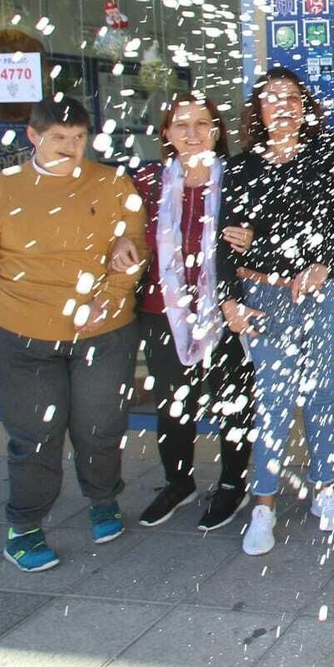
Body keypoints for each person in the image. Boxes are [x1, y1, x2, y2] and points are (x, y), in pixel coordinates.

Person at [0, 98, 147, 572]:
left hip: (103, 331)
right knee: (36, 436)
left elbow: (134, 246)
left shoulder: (113, 182)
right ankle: (24, 527)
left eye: (78, 138)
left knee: (99, 427)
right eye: (59, 137)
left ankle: (102, 499)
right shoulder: (2, 189)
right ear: (34, 138)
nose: (70, 147)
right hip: (20, 332)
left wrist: (113, 292)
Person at [218, 67, 334, 556]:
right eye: (271, 98)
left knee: (321, 389)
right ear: (256, 111)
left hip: (328, 291)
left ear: (306, 105)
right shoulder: (240, 168)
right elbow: (226, 241)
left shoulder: (329, 153)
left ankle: (325, 487)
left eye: (292, 97)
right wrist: (229, 298)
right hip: (264, 296)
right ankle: (264, 502)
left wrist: (322, 263)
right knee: (274, 398)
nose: (283, 105)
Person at [112, 94, 255, 532]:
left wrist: (253, 239)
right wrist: (118, 240)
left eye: (201, 124)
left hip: (225, 307)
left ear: (216, 130)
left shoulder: (240, 177)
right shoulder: (146, 181)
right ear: (167, 135)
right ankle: (178, 482)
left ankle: (233, 484)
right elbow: (117, 225)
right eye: (181, 125)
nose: (192, 134)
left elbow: (268, 230)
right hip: (163, 311)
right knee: (173, 404)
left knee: (235, 402)